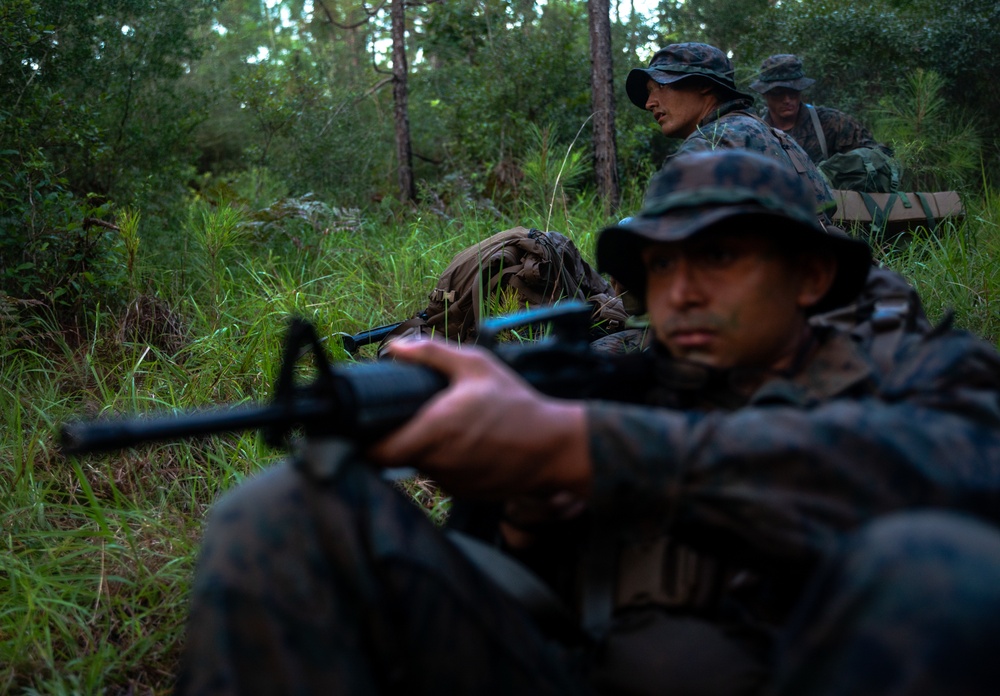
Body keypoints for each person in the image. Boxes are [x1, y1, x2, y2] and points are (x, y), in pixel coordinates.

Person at [176, 150, 1000, 695]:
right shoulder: (611, 383)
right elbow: (504, 587)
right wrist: (531, 515)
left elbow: (963, 471)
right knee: (279, 511)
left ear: (813, 273)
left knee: (938, 565)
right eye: (660, 264)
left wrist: (584, 448)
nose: (680, 290)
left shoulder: (920, 370)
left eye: (718, 256)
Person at [624, 42, 835, 216]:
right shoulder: (776, 136)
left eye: (661, 86)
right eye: (649, 92)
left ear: (702, 84)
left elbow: (664, 233)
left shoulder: (711, 142)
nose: (649, 103)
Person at [750, 54, 894, 165]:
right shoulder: (755, 133)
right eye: (779, 92)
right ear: (765, 94)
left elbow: (879, 156)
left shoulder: (831, 122)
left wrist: (837, 170)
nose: (787, 99)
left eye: (793, 91)